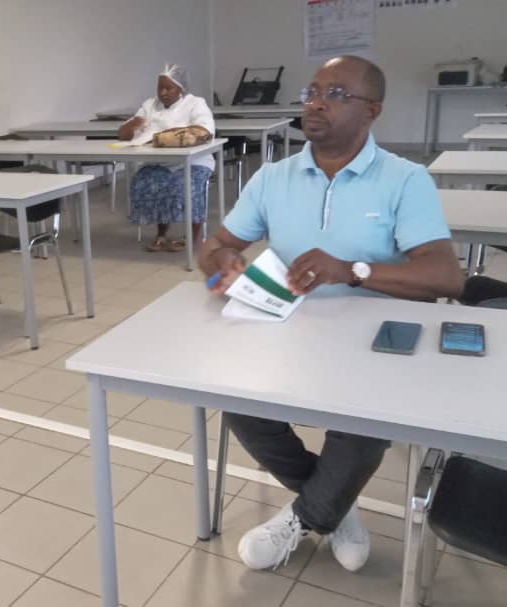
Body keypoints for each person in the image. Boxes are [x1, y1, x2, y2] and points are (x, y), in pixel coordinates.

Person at [198, 56, 464, 573]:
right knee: (236, 402)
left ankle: (305, 517)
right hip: (286, 332)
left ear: (373, 111)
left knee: (363, 420)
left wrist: (352, 270)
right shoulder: (273, 178)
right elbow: (212, 248)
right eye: (312, 92)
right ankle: (334, 501)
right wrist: (221, 267)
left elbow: (445, 277)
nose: (316, 103)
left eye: (337, 94)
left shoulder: (405, 180)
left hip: (374, 342)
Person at [120, 64, 215, 253]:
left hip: (194, 162)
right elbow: (123, 133)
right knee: (145, 182)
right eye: (160, 88)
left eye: (168, 88)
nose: (162, 92)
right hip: (159, 161)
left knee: (186, 186)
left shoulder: (195, 104)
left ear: (181, 88)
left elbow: (205, 131)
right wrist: (131, 126)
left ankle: (193, 237)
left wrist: (169, 137)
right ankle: (161, 234)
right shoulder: (149, 105)